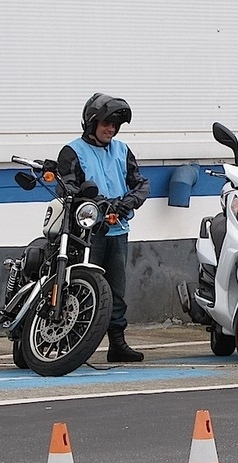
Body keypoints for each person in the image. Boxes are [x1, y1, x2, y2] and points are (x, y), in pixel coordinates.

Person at [57, 93, 150, 362]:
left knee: (116, 290)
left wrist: (127, 202)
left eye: (115, 125)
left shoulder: (122, 150)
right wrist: (97, 202)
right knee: (79, 287)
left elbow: (141, 183)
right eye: (106, 123)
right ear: (91, 122)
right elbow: (68, 186)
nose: (111, 129)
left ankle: (117, 343)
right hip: (86, 233)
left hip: (118, 230)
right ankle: (70, 343)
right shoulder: (72, 151)